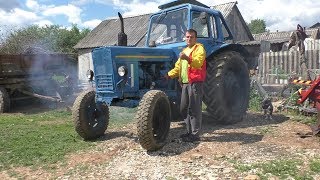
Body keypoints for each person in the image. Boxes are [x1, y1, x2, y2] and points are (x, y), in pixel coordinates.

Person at [165, 29, 206, 142]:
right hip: (185, 83)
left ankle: (195, 134)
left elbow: (198, 63)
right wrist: (168, 75)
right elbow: (178, 67)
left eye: (191, 37)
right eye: (187, 37)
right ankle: (189, 132)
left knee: (194, 108)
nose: (189, 39)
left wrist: (187, 58)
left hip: (195, 83)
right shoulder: (185, 50)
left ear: (195, 38)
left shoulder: (199, 48)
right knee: (183, 108)